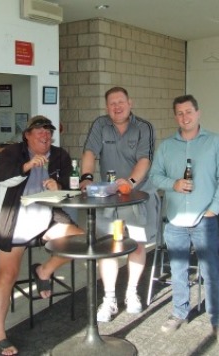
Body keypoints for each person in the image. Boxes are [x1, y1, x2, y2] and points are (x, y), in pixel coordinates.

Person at [0, 115, 83, 356]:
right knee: (7, 275)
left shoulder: (59, 154)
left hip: (46, 218)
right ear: (27, 135)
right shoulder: (13, 153)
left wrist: (58, 186)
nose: (45, 136)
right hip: (15, 220)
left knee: (81, 239)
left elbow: (72, 186)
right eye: (39, 131)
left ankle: (44, 270)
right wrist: (28, 166)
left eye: (48, 132)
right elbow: (1, 177)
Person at [149, 94, 219, 343]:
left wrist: (215, 208)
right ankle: (178, 313)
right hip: (175, 220)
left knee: (211, 271)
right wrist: (172, 184)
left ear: (198, 113)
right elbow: (154, 177)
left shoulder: (215, 142)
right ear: (175, 116)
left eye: (189, 112)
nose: (184, 117)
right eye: (179, 113)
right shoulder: (166, 146)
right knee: (178, 270)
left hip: (204, 219)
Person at [80, 86, 160, 322]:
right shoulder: (100, 125)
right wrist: (86, 177)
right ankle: (109, 298)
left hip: (137, 196)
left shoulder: (143, 127)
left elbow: (145, 159)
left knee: (136, 245)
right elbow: (89, 152)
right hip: (109, 199)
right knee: (110, 248)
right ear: (107, 107)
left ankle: (132, 292)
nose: (117, 107)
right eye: (112, 103)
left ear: (130, 103)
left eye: (121, 102)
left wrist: (131, 182)